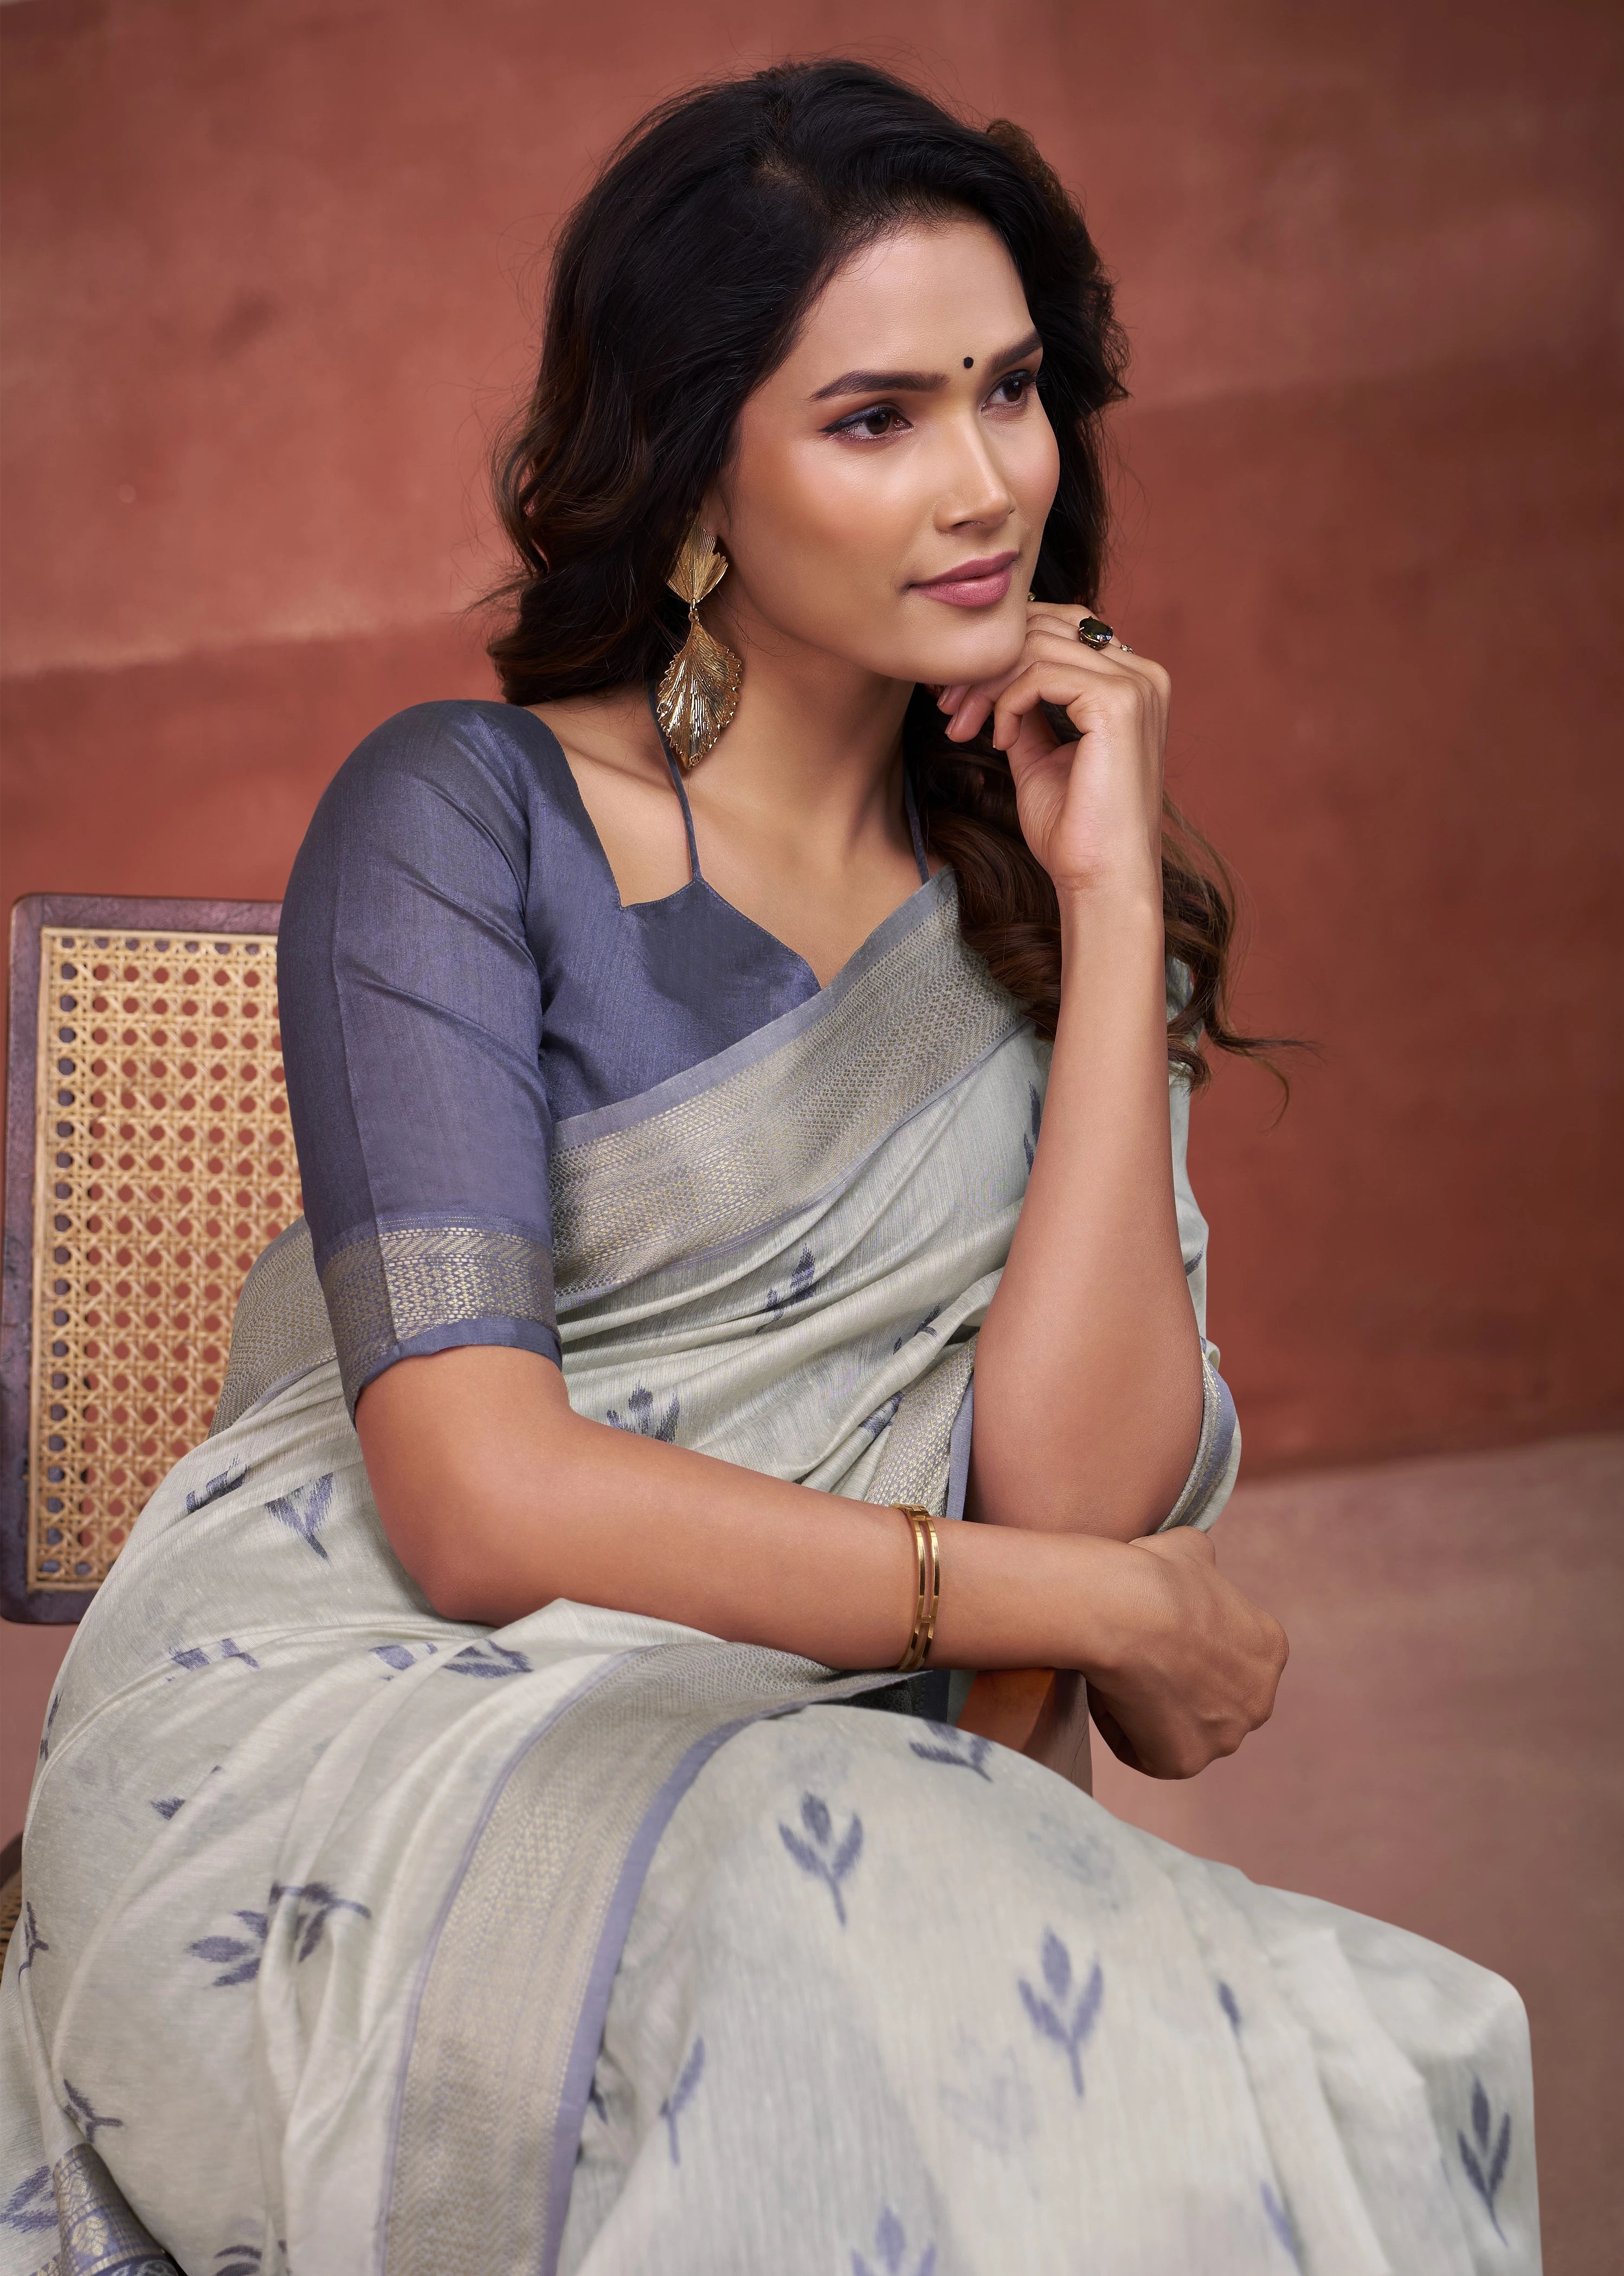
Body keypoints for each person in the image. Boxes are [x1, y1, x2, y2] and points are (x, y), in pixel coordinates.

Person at [0, 60, 1536, 2275]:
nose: (984, 481)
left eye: (1008, 393)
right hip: (362, 1757)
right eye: (875, 417)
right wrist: (1091, 1611)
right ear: (695, 467)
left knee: (1325, 2047)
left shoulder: (1025, 899)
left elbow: (1073, 1471)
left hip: (829, 1779)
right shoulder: (466, 819)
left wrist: (1107, 926)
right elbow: (475, 1502)